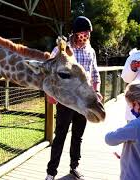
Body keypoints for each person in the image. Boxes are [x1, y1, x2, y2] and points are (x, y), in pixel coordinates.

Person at [45, 16, 102, 180]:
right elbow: (49, 72)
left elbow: (95, 74)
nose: (86, 36)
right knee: (60, 135)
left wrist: (96, 91)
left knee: (78, 135)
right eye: (83, 33)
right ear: (75, 33)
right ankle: (51, 172)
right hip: (66, 100)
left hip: (84, 101)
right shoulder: (62, 49)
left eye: (88, 33)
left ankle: (74, 167)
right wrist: (50, 94)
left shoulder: (90, 51)